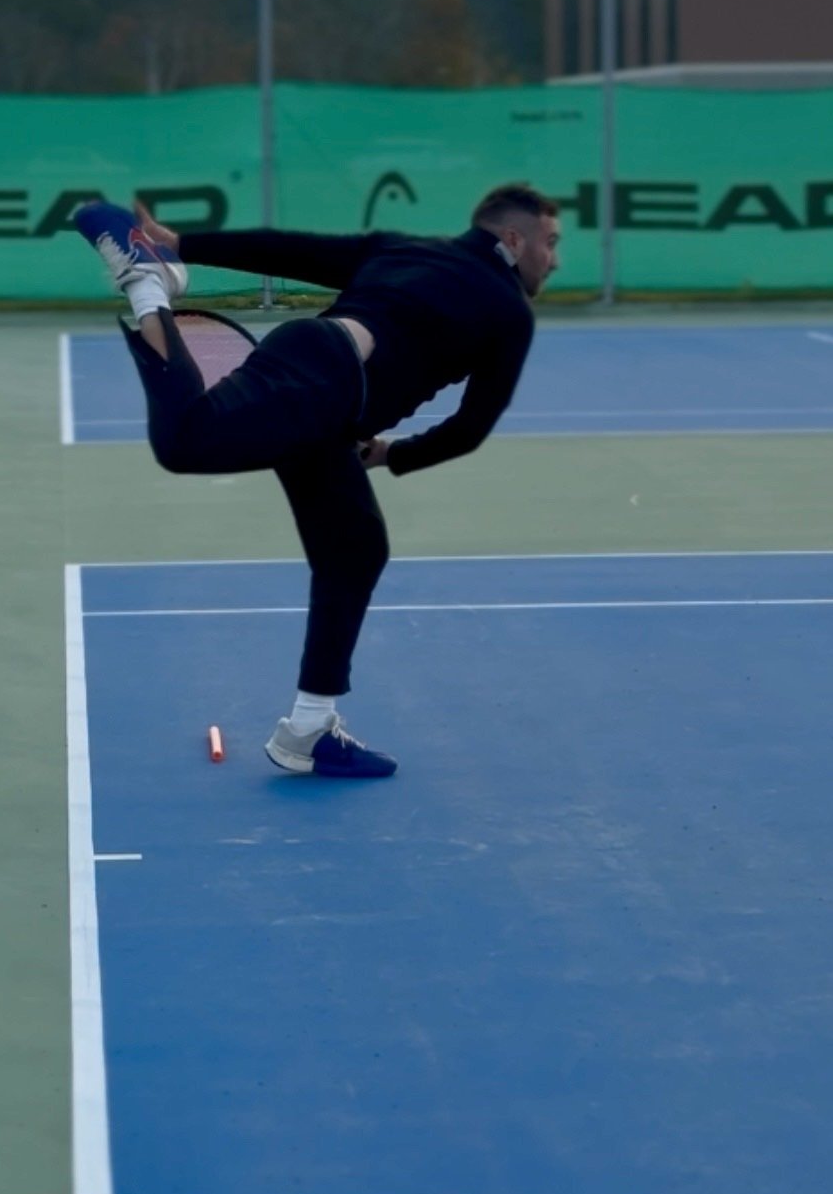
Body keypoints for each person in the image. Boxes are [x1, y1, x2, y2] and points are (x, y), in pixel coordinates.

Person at [74, 186, 560, 779]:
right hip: (327, 380)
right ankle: (148, 286)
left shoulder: (401, 248)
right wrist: (391, 455)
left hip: (326, 389)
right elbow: (470, 428)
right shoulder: (509, 311)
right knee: (184, 443)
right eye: (549, 242)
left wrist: (186, 241)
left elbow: (291, 251)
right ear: (512, 240)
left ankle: (306, 731)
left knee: (356, 549)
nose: (554, 258)